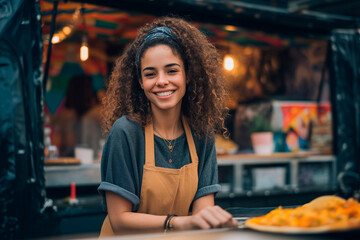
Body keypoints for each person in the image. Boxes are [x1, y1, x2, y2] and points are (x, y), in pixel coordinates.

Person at [97, 17, 238, 237]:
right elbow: (120, 220)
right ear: (140, 82)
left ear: (188, 74)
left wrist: (210, 221)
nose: (161, 81)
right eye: (150, 74)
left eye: (172, 71)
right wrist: (178, 223)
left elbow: (202, 214)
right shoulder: (125, 132)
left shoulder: (202, 133)